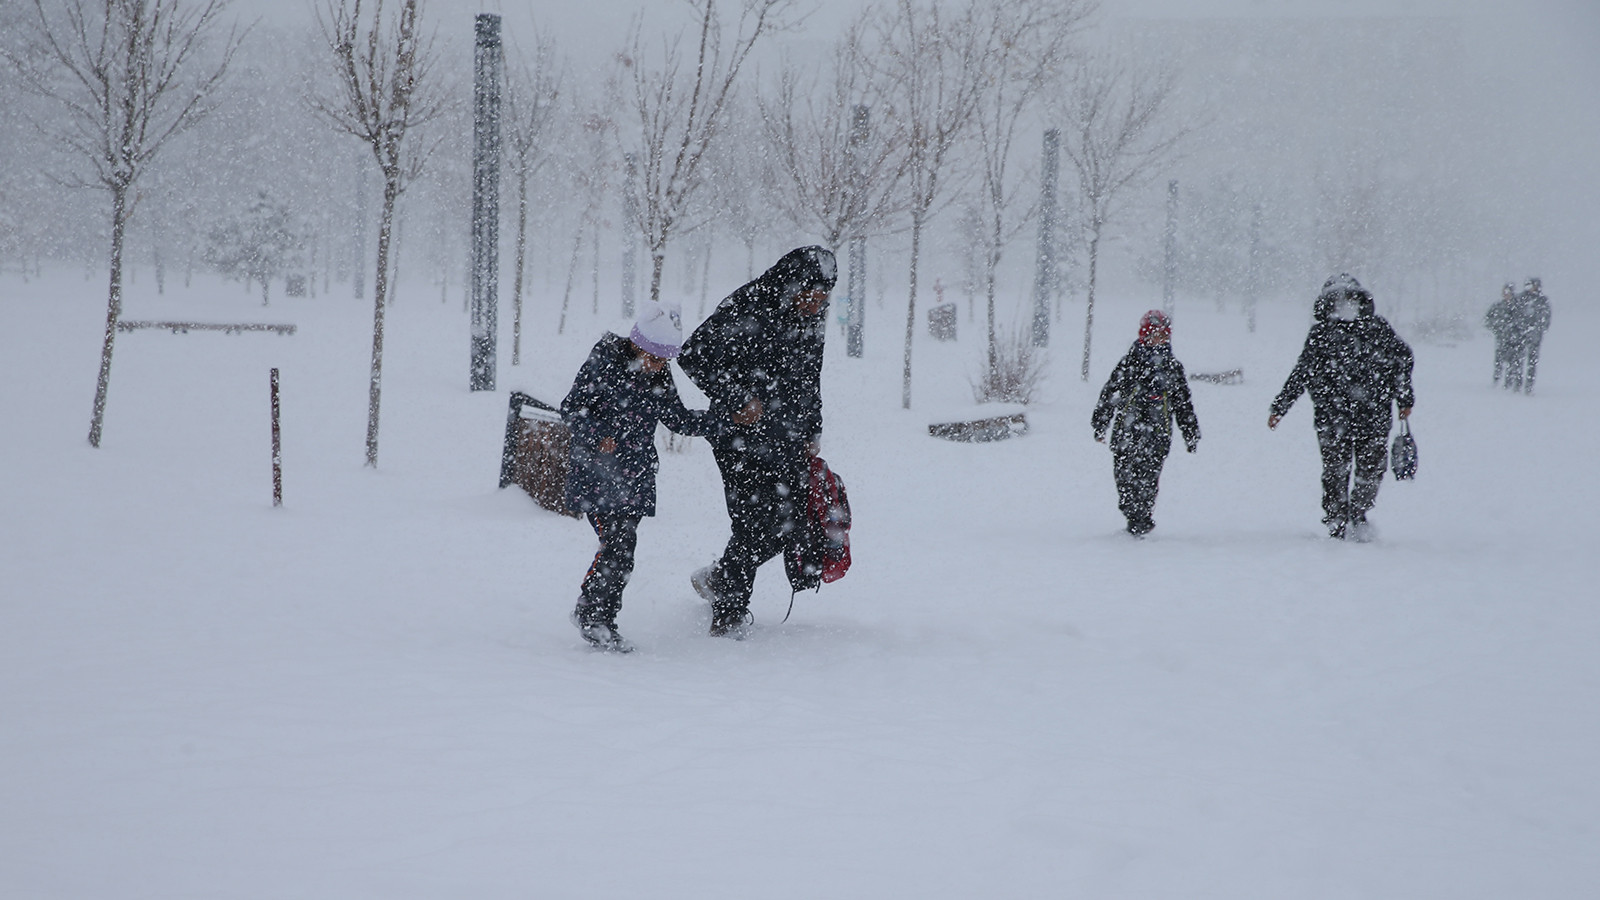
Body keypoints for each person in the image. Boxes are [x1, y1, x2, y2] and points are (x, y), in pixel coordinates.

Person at [677, 246, 837, 637]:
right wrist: (738, 397)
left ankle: (720, 578)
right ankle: (728, 617)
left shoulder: (811, 318)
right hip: (738, 438)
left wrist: (812, 428)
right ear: (793, 284)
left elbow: (809, 375)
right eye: (811, 296)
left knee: (789, 522)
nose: (816, 306)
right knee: (753, 523)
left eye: (823, 299)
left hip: (787, 437)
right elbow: (693, 355)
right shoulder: (748, 307)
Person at [560, 300, 708, 652]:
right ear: (636, 344)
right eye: (653, 358)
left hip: (634, 475)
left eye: (664, 361)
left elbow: (678, 419)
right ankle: (593, 617)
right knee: (617, 544)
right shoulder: (604, 360)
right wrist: (598, 434)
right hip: (597, 472)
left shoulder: (658, 374)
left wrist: (726, 420)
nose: (657, 366)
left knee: (623, 550)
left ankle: (601, 618)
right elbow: (571, 408)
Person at [1269, 274, 1414, 541]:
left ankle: (1358, 514)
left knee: (1371, 471)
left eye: (1350, 299)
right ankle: (1337, 520)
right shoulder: (1321, 334)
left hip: (1373, 416)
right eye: (1338, 300)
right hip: (1333, 418)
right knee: (1335, 471)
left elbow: (1402, 360)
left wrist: (1404, 398)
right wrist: (1281, 406)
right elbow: (1302, 372)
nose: (1345, 305)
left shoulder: (1378, 329)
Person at [1091, 310, 1200, 536]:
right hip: (1126, 433)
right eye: (1153, 336)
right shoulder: (1129, 364)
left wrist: (1190, 432)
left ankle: (1142, 519)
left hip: (1157, 435)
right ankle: (1132, 513)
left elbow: (1183, 403)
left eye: (1162, 336)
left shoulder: (1172, 368)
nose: (1157, 341)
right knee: (1125, 479)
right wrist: (1100, 422)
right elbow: (1110, 393)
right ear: (1143, 336)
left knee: (1148, 480)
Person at [1519, 276, 1552, 394]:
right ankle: (1517, 383)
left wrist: (1539, 328)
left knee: (1532, 362)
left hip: (1535, 336)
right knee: (1518, 360)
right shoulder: (1521, 298)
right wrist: (1520, 327)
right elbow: (1516, 315)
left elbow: (1546, 317)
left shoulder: (1542, 300)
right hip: (1520, 335)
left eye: (1532, 285)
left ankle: (1529, 385)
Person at [1485, 282, 1518, 386]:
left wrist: (1514, 329)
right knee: (1498, 360)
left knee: (1512, 361)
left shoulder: (1517, 307)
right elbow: (1488, 320)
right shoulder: (1497, 306)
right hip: (1501, 338)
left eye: (1508, 292)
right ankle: (1496, 380)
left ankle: (1508, 383)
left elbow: (1521, 321)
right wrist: (1497, 327)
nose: (1506, 294)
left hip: (1514, 339)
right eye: (1504, 292)